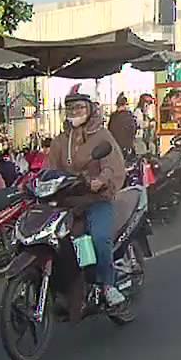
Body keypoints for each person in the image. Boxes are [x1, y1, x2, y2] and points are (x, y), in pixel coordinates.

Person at [46, 88, 128, 313]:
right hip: (67, 202)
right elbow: (48, 168)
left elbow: (112, 166)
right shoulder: (60, 141)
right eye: (70, 108)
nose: (75, 112)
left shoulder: (102, 136)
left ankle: (108, 285)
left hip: (96, 200)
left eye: (79, 107)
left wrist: (100, 180)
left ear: (90, 109)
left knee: (100, 238)